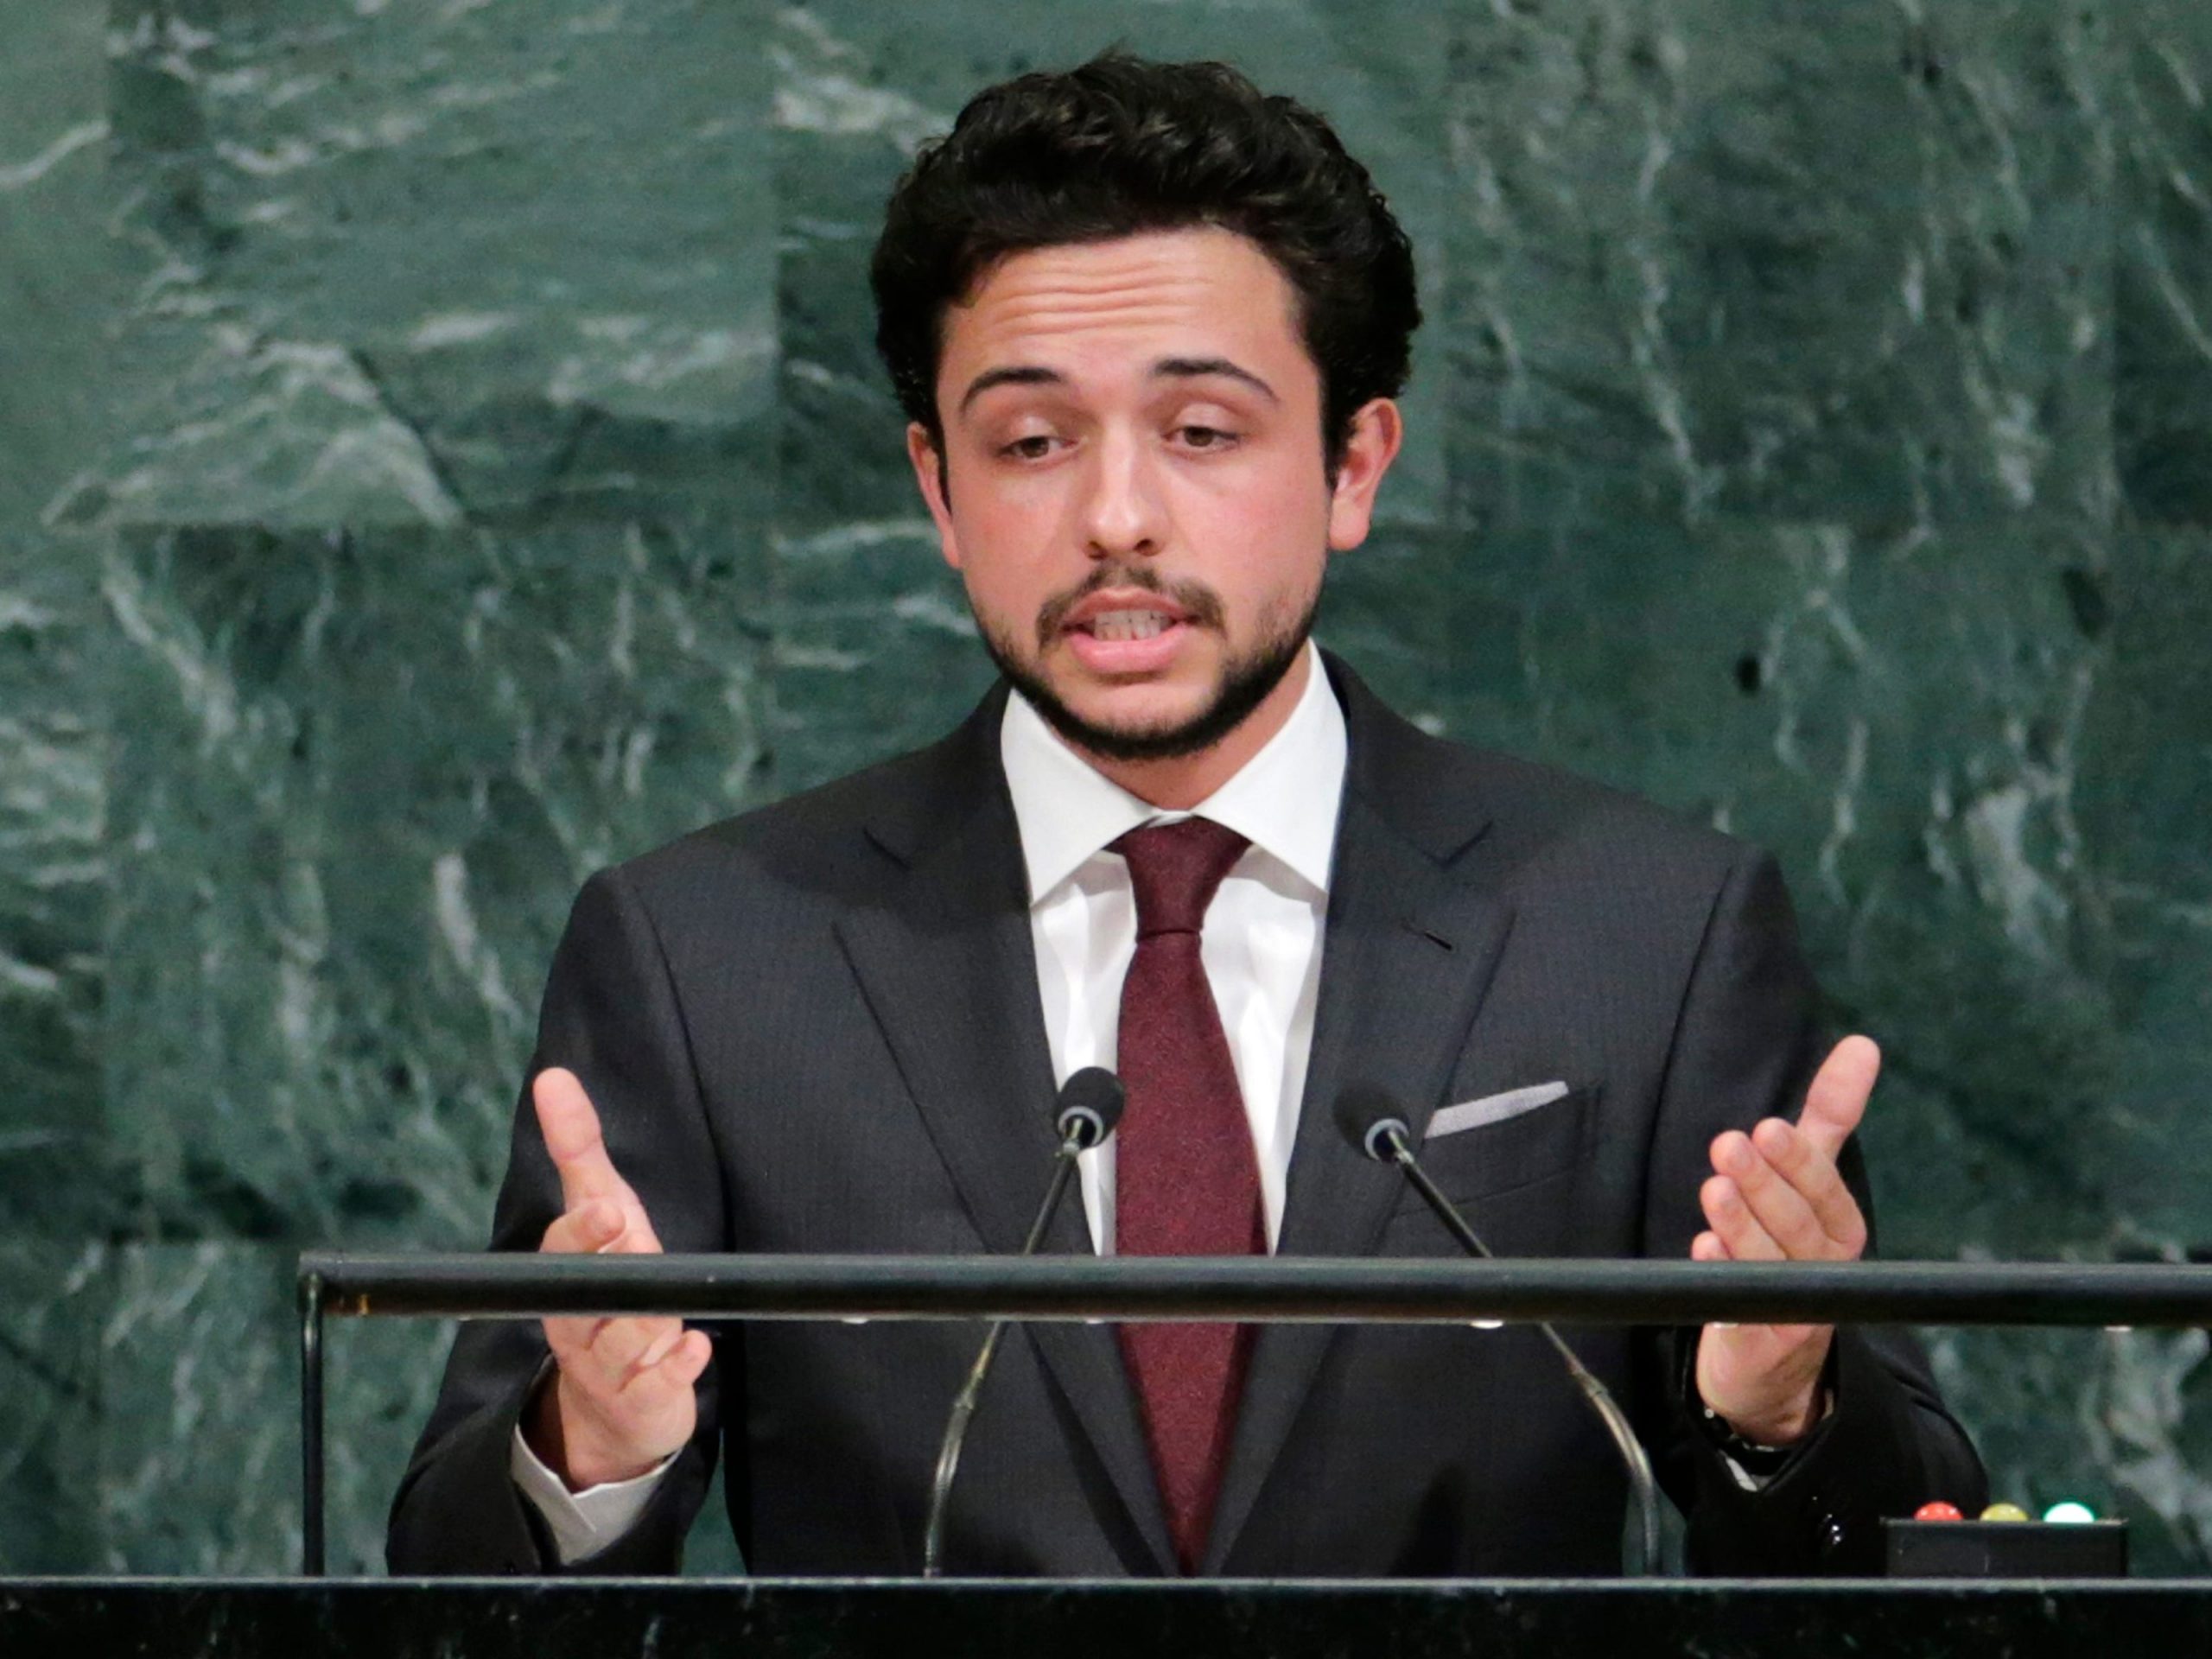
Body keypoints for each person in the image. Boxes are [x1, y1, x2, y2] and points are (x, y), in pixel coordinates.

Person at [388, 52, 1985, 1579]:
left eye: (1204, 432)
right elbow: (447, 1570)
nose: (1118, 517)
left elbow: (1907, 1549)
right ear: (940, 493)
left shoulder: (1645, 932)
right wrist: (591, 1449)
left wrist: (1779, 1409)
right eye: (1030, 442)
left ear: (1355, 464)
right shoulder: (711, 957)